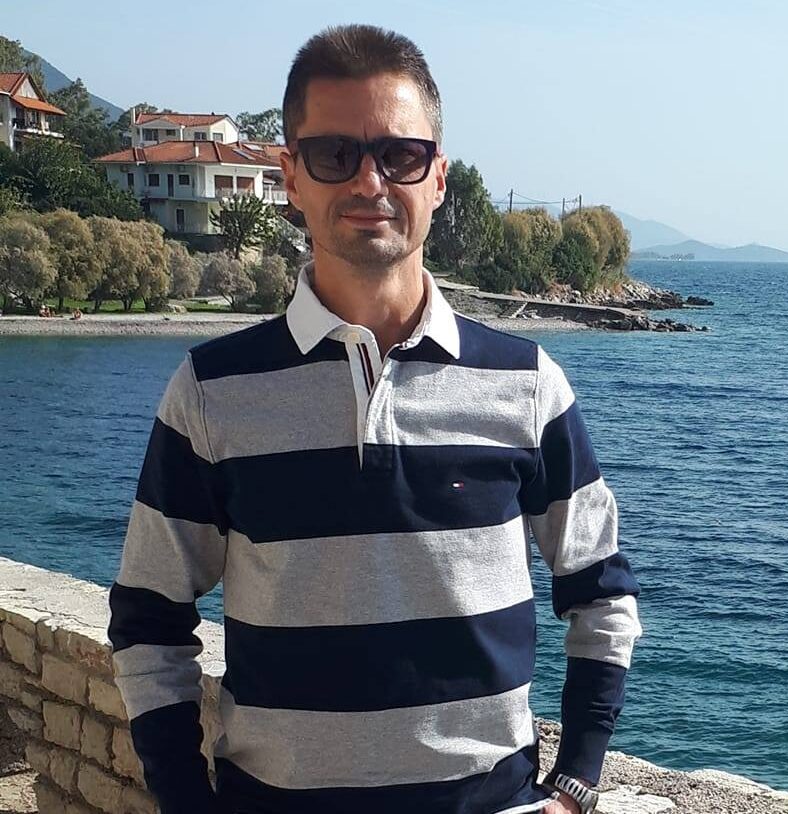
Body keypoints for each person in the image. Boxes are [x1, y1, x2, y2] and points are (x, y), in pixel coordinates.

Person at [106, 25, 641, 814]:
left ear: (438, 178)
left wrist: (576, 783)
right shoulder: (213, 391)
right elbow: (149, 618)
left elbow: (600, 592)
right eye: (335, 155)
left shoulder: (528, 385)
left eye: (400, 155)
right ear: (291, 176)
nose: (370, 181)